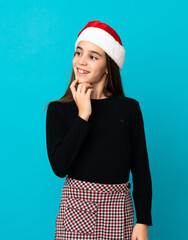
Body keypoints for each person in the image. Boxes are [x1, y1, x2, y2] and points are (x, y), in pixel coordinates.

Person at [45, 20, 152, 240]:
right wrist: (83, 115)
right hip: (76, 211)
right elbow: (59, 167)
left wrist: (142, 221)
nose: (81, 62)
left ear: (108, 67)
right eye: (78, 53)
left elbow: (141, 168)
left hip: (118, 209)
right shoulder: (58, 110)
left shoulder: (129, 109)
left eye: (93, 56)